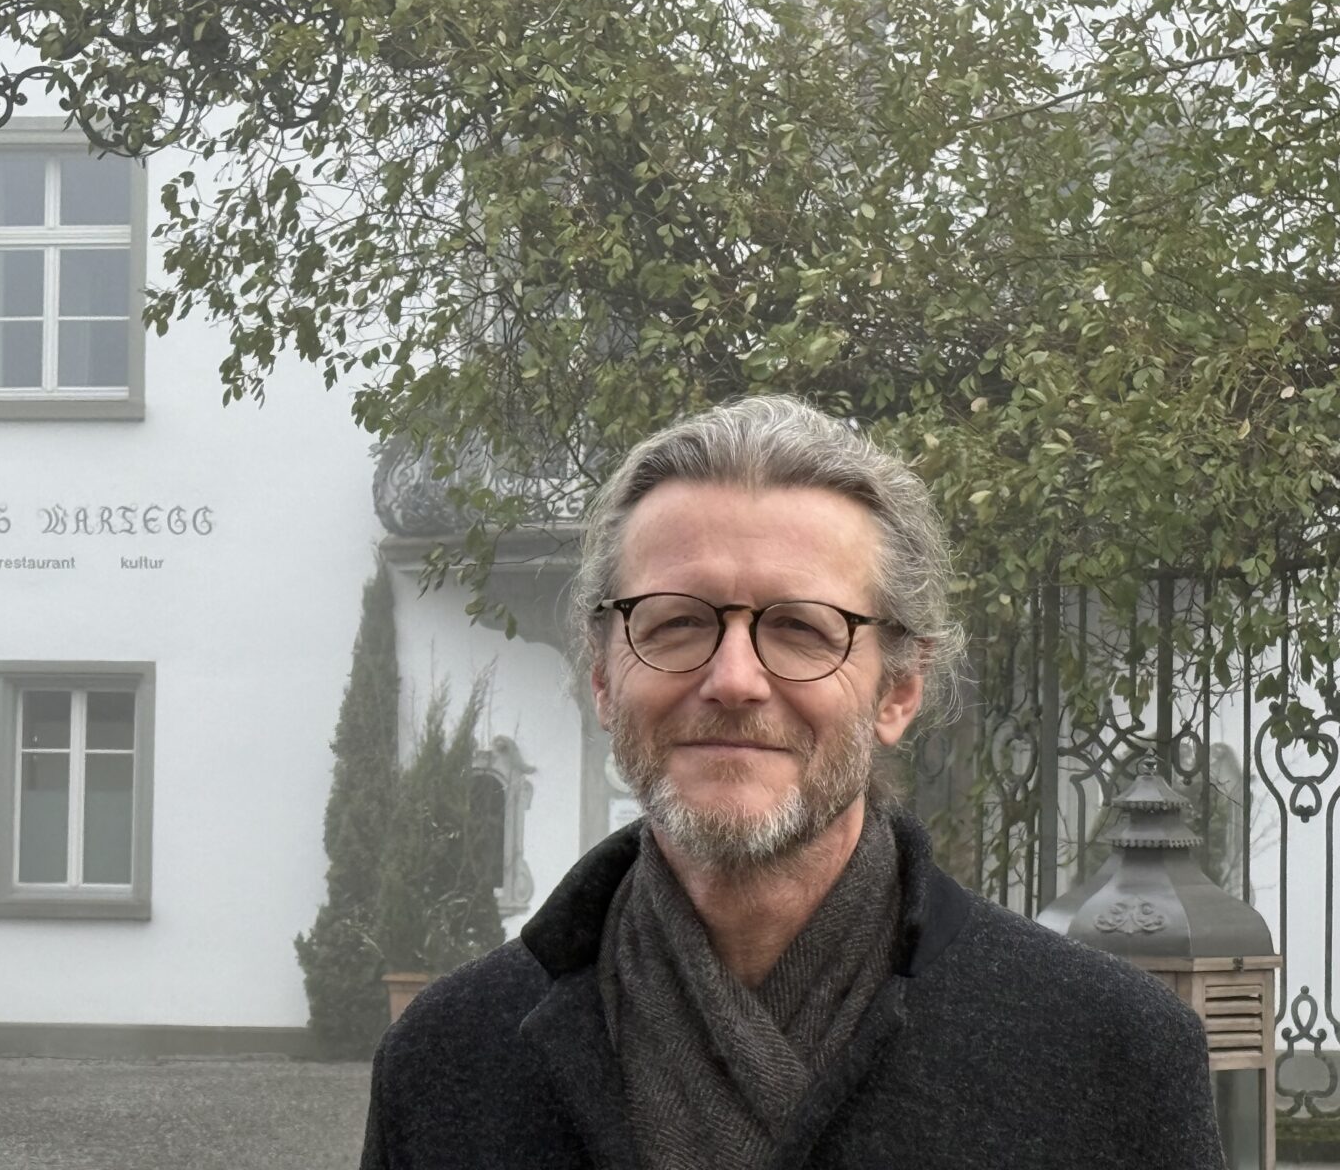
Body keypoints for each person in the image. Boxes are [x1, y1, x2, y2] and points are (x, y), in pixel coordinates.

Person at [360, 395, 1225, 1169]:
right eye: (675, 622)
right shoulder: (445, 1062)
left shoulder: (1111, 1056)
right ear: (603, 676)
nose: (734, 679)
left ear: (899, 690)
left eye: (803, 629)